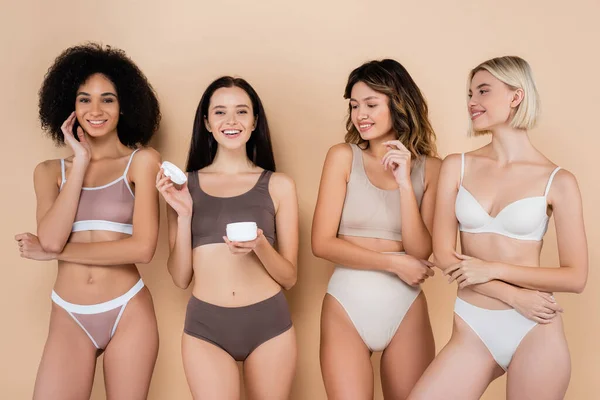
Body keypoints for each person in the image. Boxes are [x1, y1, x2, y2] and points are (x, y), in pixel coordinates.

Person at [409, 56, 588, 400]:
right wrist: (512, 294)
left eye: (483, 91)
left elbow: (575, 277)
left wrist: (490, 269)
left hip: (536, 328)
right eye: (470, 93)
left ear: (516, 96)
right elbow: (445, 255)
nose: (472, 102)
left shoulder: (558, 181)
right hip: (473, 327)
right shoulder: (457, 166)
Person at [15, 43, 162, 399]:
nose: (95, 110)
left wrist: (57, 254)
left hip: (128, 309)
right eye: (84, 99)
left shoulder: (142, 161)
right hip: (69, 313)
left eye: (107, 99)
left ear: (124, 105)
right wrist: (79, 161)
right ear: (69, 106)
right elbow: (50, 239)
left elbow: (142, 249)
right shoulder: (49, 171)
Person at [156, 76, 298, 399]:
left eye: (241, 112)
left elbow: (290, 277)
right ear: (206, 122)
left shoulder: (279, 186)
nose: (231, 121)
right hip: (206, 328)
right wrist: (184, 214)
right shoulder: (181, 187)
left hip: (269, 325)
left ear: (254, 121)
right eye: (220, 112)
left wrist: (260, 245)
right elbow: (180, 279)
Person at [311, 59, 441, 399]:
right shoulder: (342, 156)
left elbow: (420, 252)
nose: (360, 115)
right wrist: (394, 263)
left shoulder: (431, 169)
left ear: (398, 104)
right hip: (346, 304)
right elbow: (322, 243)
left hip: (405, 306)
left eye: (371, 104)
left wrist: (403, 184)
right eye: (354, 105)